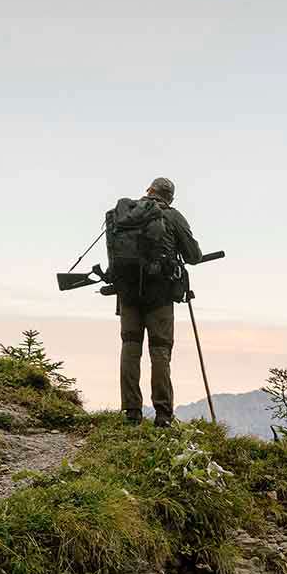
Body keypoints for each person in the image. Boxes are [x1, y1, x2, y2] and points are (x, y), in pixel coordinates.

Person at [120, 176, 201, 427]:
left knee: (130, 349)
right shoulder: (173, 216)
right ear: (170, 197)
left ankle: (132, 413)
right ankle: (163, 415)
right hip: (160, 295)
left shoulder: (126, 215)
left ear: (149, 191)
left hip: (128, 293)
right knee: (160, 352)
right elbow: (194, 256)